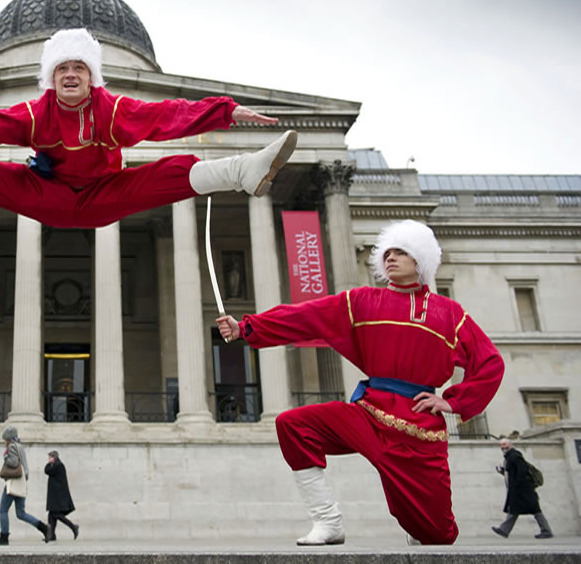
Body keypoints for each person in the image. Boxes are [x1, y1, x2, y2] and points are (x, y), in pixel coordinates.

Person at [216, 220, 505, 546]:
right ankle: (327, 521)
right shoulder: (363, 301)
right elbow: (306, 316)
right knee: (293, 424)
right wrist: (247, 328)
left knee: (438, 534)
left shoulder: (450, 314)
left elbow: (490, 362)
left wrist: (452, 401)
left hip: (418, 428)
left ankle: (418, 527)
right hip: (368, 412)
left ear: (420, 261)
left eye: (401, 252)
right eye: (388, 252)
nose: (390, 258)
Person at [0, 27, 297, 229]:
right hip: (49, 196)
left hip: (105, 196)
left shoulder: (115, 110)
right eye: (63, 69)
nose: (72, 75)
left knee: (171, 171)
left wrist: (223, 111)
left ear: (93, 75)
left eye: (80, 67)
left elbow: (166, 117)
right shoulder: (35, 113)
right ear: (51, 78)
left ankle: (243, 171)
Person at [0, 426, 47, 545]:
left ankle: (4, 537)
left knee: (3, 510)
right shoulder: (20, 446)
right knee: (21, 513)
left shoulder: (11, 447)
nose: (4, 442)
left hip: (13, 482)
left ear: (8, 438)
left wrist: (5, 456)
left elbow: (13, 462)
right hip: (22, 482)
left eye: (5, 439)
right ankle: (44, 528)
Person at [492, 437, 554, 539]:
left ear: (510, 445)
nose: (503, 447)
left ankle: (546, 531)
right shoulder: (509, 457)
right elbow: (512, 473)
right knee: (514, 510)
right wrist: (502, 471)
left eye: (504, 444)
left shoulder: (515, 456)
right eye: (501, 445)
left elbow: (522, 471)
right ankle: (504, 530)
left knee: (535, 510)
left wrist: (517, 485)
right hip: (518, 489)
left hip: (523, 490)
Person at [44, 450, 78, 542]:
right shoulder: (57, 465)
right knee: (51, 514)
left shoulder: (58, 465)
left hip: (58, 495)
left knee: (56, 514)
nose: (48, 459)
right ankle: (52, 535)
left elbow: (47, 471)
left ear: (54, 457)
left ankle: (73, 526)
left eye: (50, 457)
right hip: (56, 495)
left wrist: (48, 464)